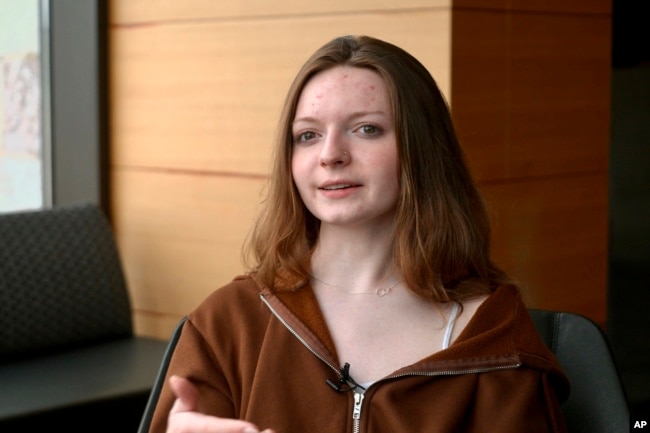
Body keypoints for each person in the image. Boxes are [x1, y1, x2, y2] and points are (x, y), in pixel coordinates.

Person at [150, 35, 569, 433]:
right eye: (308, 135)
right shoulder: (225, 322)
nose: (331, 155)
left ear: (422, 148)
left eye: (367, 128)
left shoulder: (495, 339)